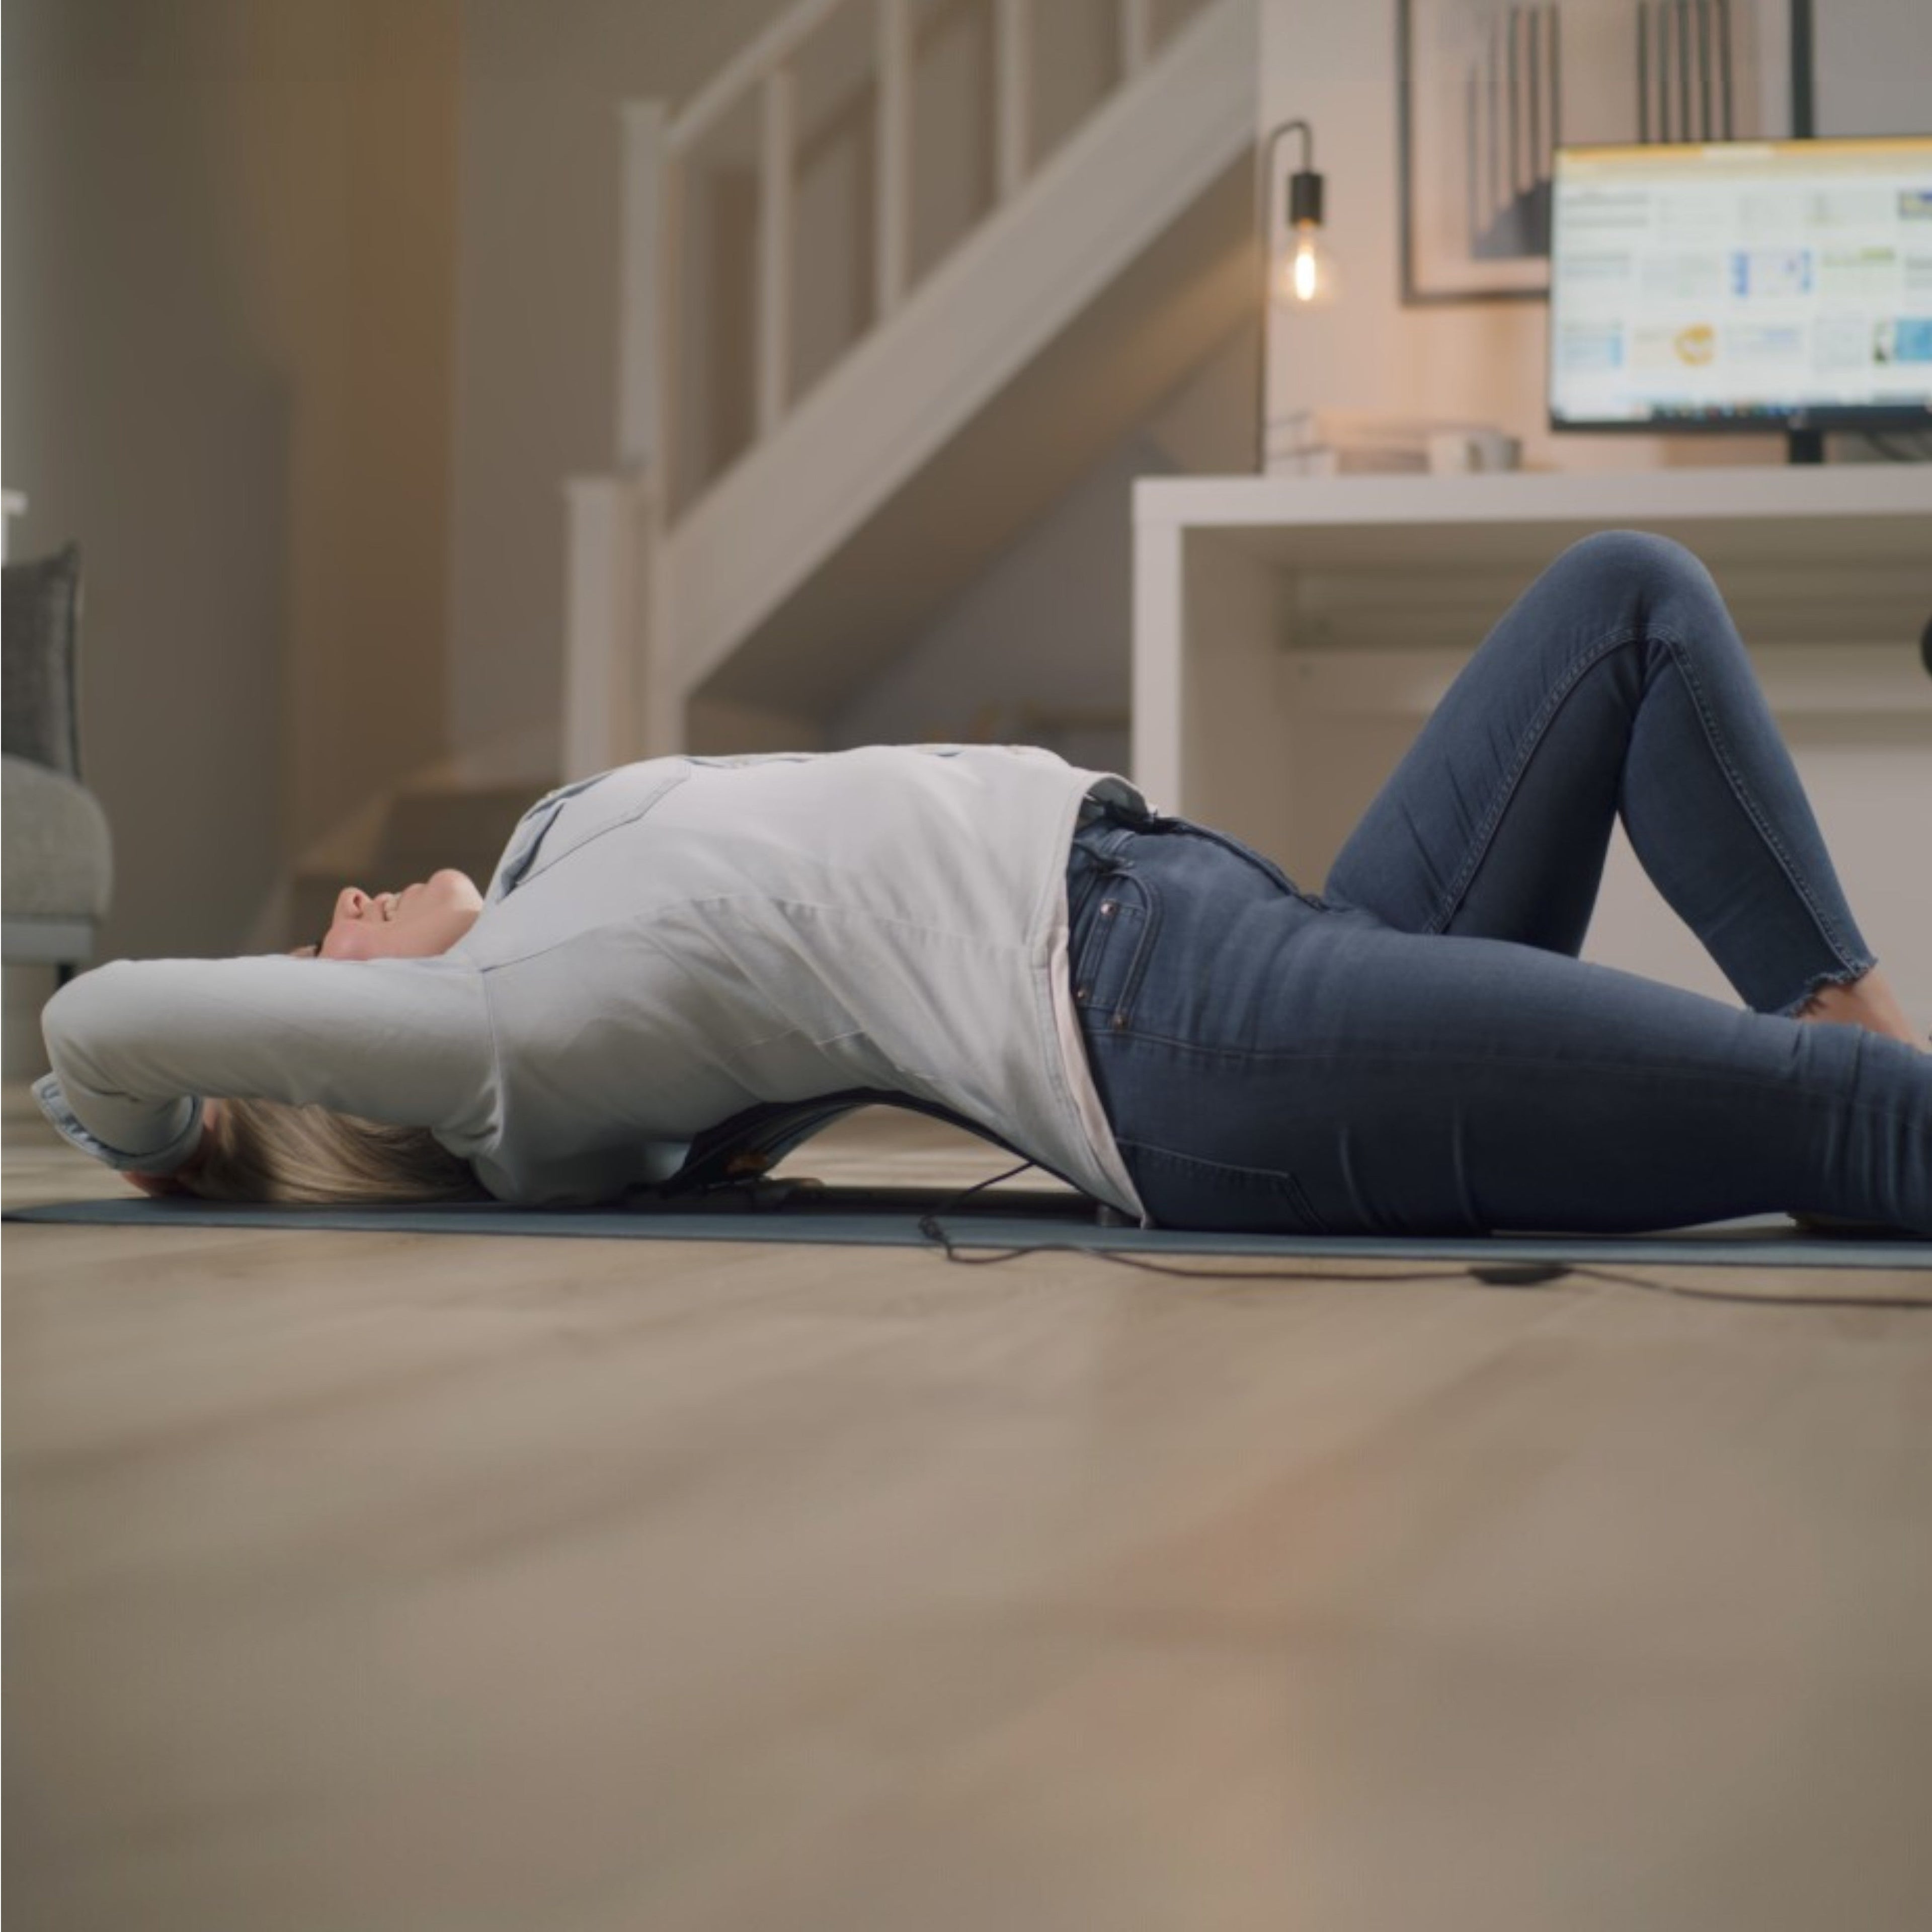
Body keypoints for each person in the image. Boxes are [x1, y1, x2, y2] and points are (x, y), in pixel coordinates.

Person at [34, 530, 1932, 1236]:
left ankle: (1853, 1019)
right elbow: (94, 1021)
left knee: (1626, 603)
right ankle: (1866, 1096)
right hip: (1182, 1042)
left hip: (1241, 926)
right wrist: (160, 1135)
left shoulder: (552, 883)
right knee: (1841, 1136)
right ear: (356, 1065)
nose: (341, 919)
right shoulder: (504, 1056)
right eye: (315, 963)